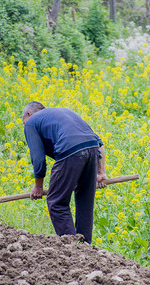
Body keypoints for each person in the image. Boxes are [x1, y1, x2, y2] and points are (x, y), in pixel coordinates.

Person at [22, 101, 107, 243]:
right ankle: (86, 249)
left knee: (56, 202)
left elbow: (38, 158)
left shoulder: (31, 123)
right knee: (85, 201)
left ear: (29, 114)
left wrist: (38, 186)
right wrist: (101, 172)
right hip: (91, 149)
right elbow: (99, 143)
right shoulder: (63, 112)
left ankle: (73, 248)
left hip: (70, 151)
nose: (25, 126)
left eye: (23, 122)